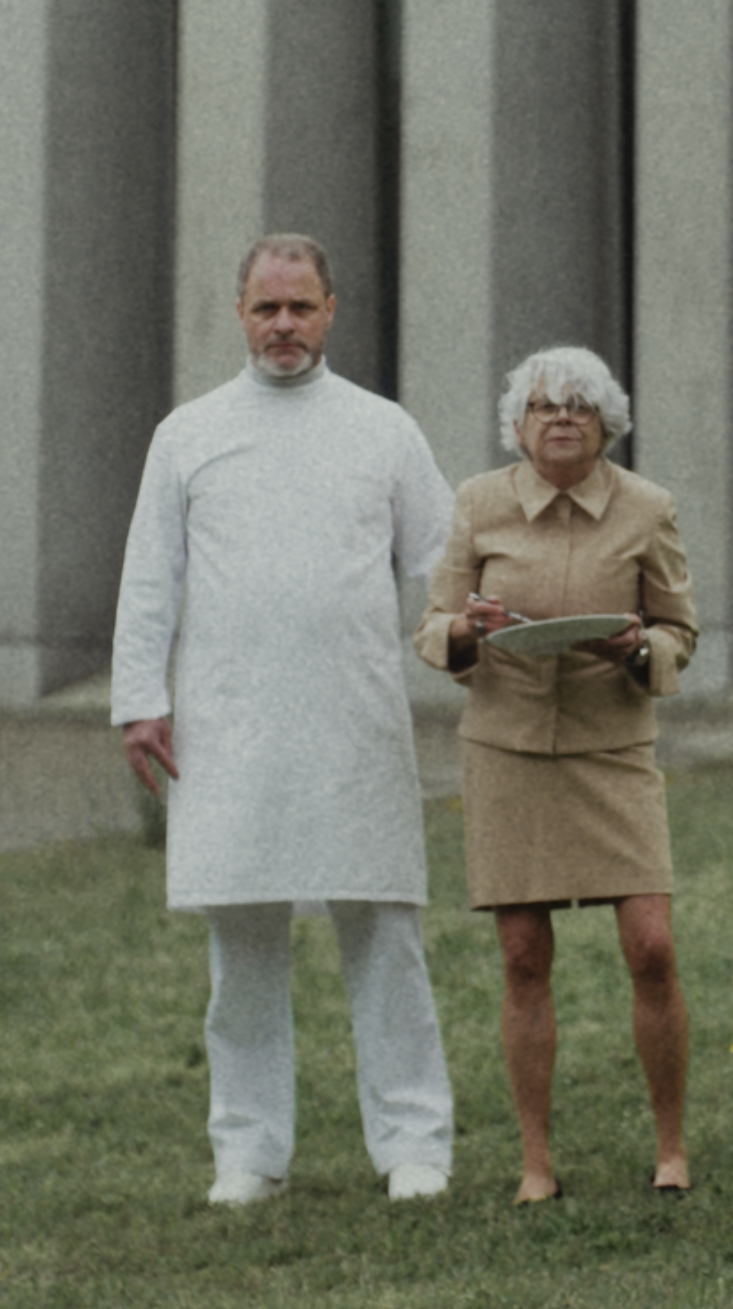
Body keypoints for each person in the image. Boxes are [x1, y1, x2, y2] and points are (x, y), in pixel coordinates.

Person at [111, 233, 458, 1208]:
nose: (283, 325)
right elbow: (149, 576)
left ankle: (413, 1143)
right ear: (239, 314)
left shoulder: (383, 430)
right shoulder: (188, 434)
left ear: (330, 310)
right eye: (266, 308)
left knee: (383, 931)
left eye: (300, 306)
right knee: (242, 942)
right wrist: (139, 700)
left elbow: (443, 562)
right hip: (230, 727)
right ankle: (248, 1151)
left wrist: (483, 647)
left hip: (355, 720)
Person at [413, 346, 701, 1204]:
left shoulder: (648, 508)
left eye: (580, 406)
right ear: (518, 425)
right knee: (523, 954)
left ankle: (672, 1150)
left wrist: (637, 649)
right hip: (506, 749)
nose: (563, 418)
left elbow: (680, 630)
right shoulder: (478, 503)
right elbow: (432, 625)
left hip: (613, 748)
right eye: (545, 406)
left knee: (651, 947)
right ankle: (535, 1164)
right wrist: (467, 631)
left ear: (607, 424)